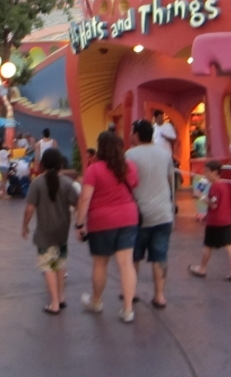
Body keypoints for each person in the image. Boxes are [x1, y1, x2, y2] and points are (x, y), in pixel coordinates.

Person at [75, 131, 140, 324]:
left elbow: (85, 197)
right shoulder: (130, 167)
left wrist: (79, 223)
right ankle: (128, 309)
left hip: (101, 221)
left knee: (100, 263)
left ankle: (96, 301)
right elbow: (134, 186)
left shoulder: (94, 169)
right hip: (128, 217)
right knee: (126, 263)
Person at [22, 147, 78, 315]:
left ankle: (53, 303)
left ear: (43, 164)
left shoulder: (37, 183)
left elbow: (30, 209)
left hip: (44, 231)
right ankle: (60, 297)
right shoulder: (68, 183)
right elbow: (78, 203)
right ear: (61, 164)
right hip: (62, 231)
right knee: (59, 263)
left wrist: (24, 226)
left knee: (48, 265)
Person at [127, 119, 175, 309]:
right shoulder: (165, 154)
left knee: (134, 256)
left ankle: (132, 291)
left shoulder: (130, 155)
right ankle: (160, 295)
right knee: (160, 256)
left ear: (137, 135)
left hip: (139, 214)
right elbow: (170, 179)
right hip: (164, 213)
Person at [188, 160, 231, 281]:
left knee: (208, 245)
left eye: (207, 171)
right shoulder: (223, 185)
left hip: (215, 221)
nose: (205, 174)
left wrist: (200, 196)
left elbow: (213, 204)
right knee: (229, 244)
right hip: (226, 219)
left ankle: (202, 268)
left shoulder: (215, 187)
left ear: (215, 172)